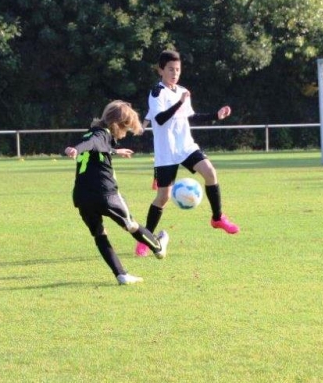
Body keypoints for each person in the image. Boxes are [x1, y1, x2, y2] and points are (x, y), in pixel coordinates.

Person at [135, 50, 239, 257]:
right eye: (170, 69)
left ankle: (217, 218)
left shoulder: (182, 91)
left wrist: (216, 115)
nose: (175, 73)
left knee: (210, 172)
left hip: (186, 146)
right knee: (163, 197)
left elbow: (191, 116)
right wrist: (179, 102)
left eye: (178, 70)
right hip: (166, 152)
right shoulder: (157, 92)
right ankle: (145, 239)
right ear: (160, 70)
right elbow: (160, 119)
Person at [64, 100, 170, 285]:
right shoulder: (101, 135)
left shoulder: (94, 132)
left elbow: (95, 146)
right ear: (118, 124)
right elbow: (91, 144)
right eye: (126, 128)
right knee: (131, 225)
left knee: (99, 234)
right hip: (105, 194)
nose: (125, 133)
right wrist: (76, 149)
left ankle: (121, 275)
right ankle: (158, 247)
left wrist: (114, 151)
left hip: (81, 196)